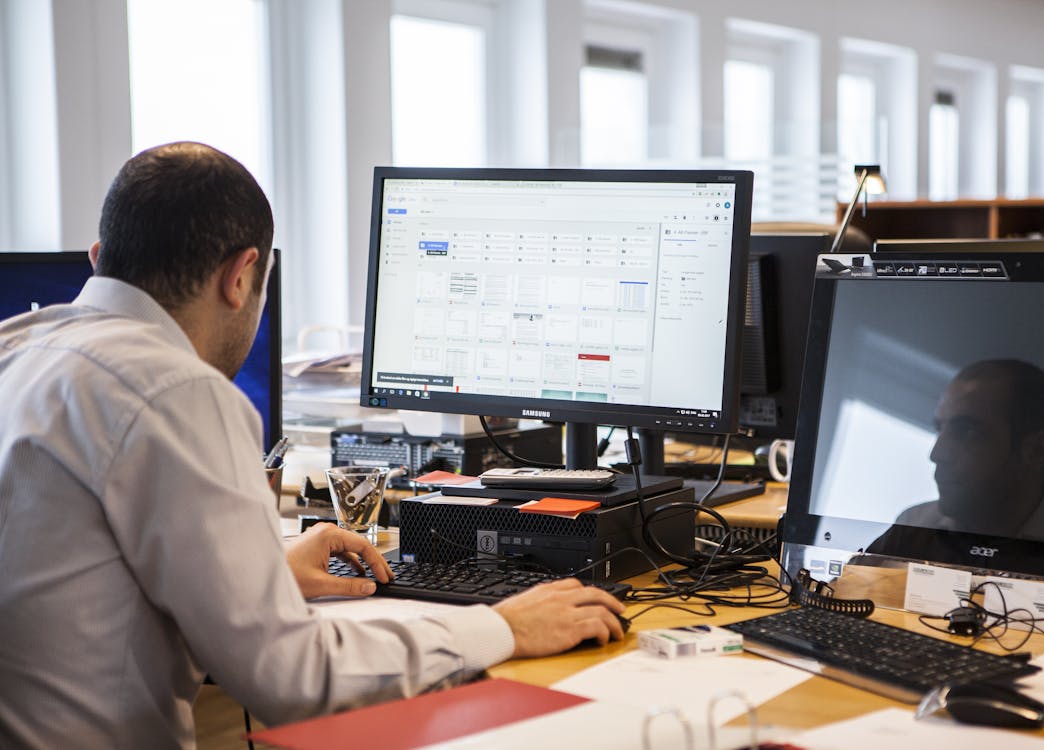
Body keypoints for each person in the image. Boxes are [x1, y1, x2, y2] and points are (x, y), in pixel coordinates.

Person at [0, 142, 626, 748]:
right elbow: (293, 679)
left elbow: (75, 580)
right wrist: (501, 626)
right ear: (241, 276)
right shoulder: (174, 388)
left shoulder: (17, 348)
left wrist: (262, 575)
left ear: (98, 257)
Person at [889, 359, 1044, 547]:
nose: (937, 453)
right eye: (940, 429)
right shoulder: (912, 528)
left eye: (967, 432)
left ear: (1036, 450)